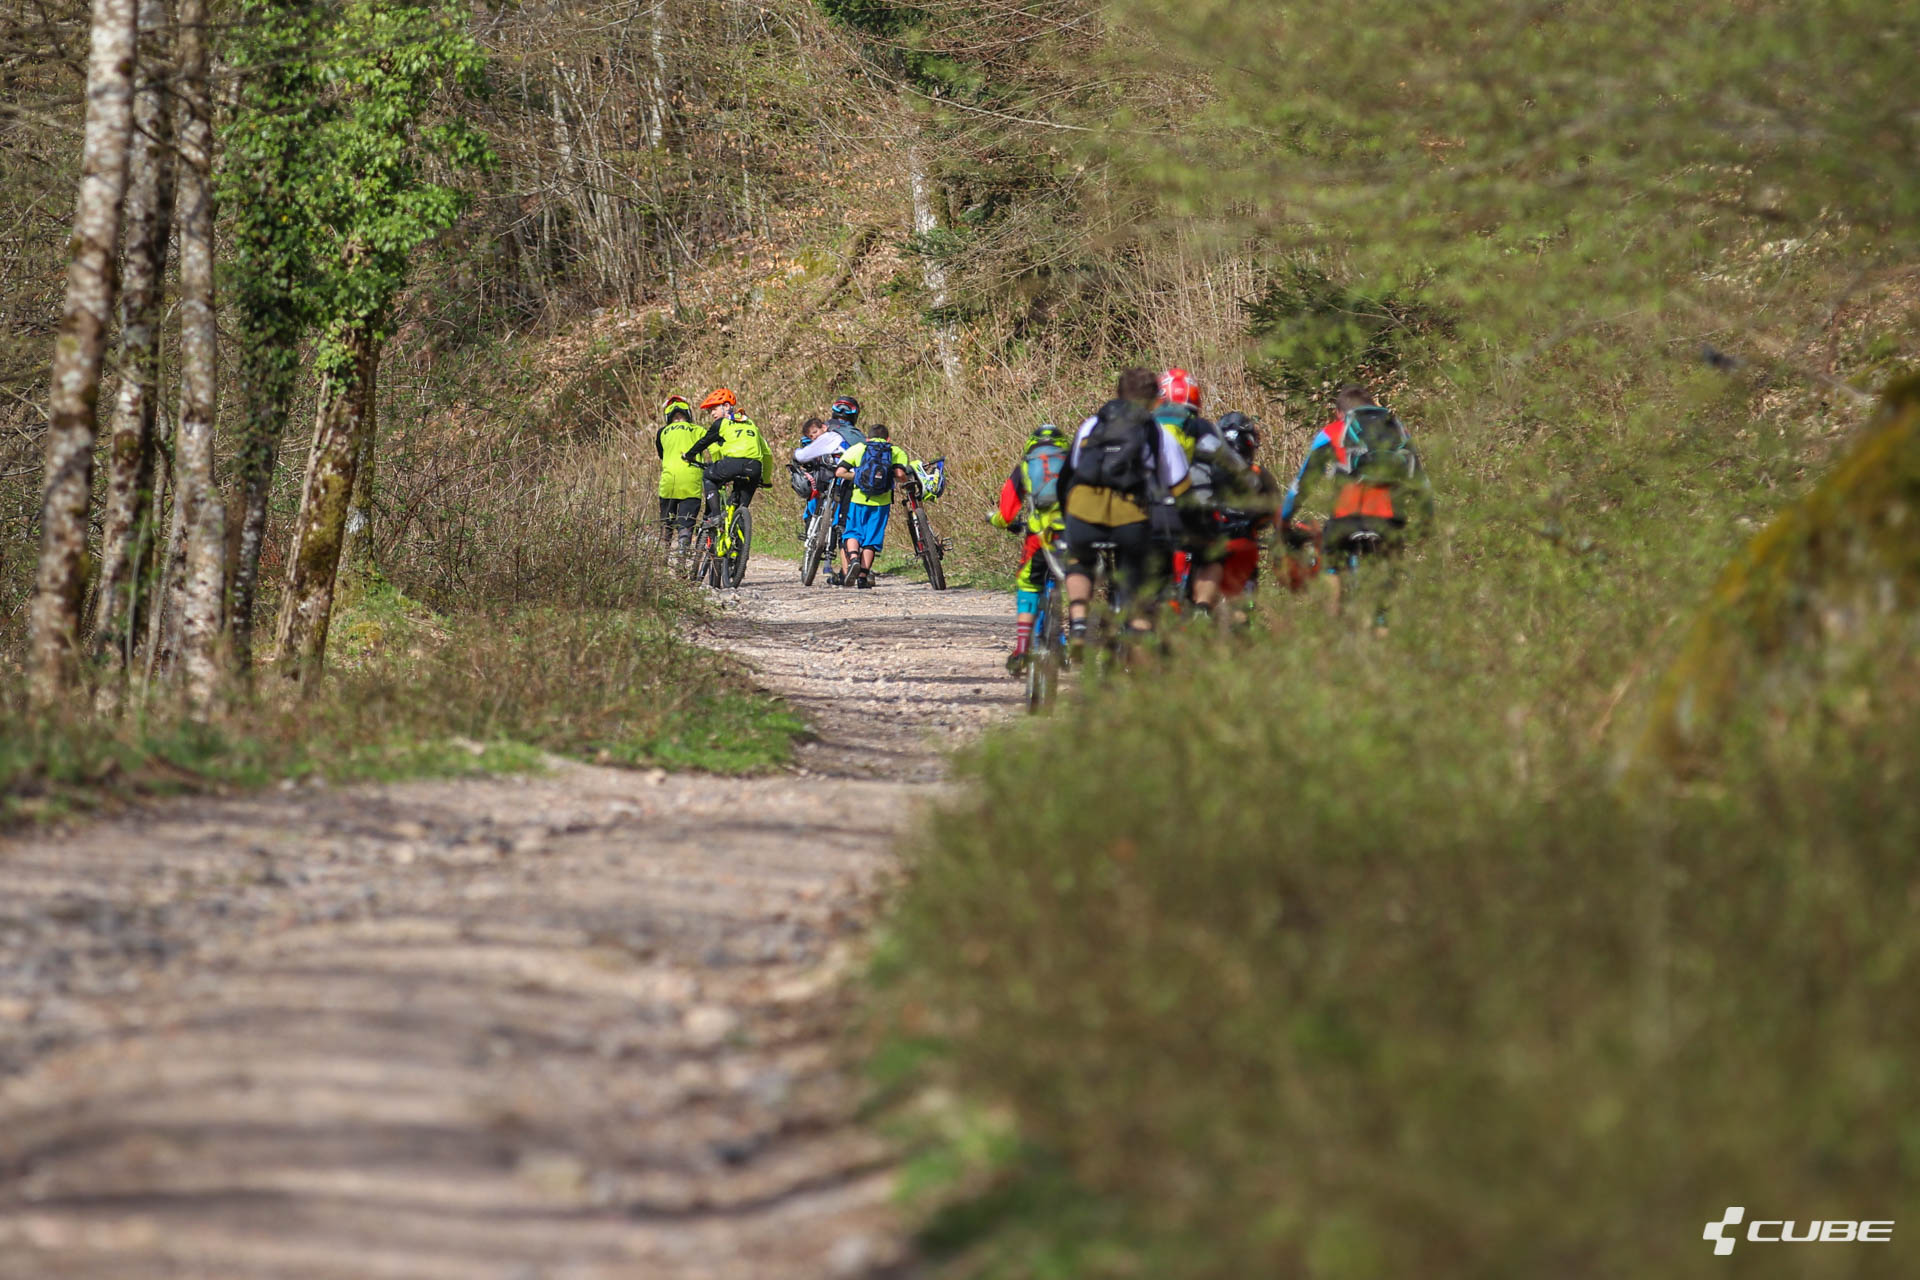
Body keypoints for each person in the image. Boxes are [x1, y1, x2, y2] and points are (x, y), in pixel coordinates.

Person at [1281, 382, 1435, 625]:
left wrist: (1284, 519)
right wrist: (1427, 521)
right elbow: (1421, 484)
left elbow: (1302, 484)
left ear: (1339, 413)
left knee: (1331, 564)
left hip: (1346, 517)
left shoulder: (1333, 432)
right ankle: (1382, 627)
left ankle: (1334, 629)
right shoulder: (1398, 431)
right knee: (1386, 582)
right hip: (1389, 517)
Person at [1060, 367, 1191, 651]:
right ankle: (1138, 640)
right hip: (1130, 517)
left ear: (1117, 393)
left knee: (1079, 562)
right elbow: (1181, 489)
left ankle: (1080, 624)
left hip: (1083, 512)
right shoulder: (1158, 433)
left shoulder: (1091, 425)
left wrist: (1066, 518)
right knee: (1140, 584)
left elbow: (1067, 477)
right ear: (1156, 400)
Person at [1152, 368, 1255, 620]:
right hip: (1196, 511)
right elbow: (1238, 471)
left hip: (1152, 511)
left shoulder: (1145, 427)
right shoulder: (1204, 429)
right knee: (1213, 555)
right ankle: (1201, 609)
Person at [989, 423, 1071, 676]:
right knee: (1078, 580)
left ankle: (1023, 648)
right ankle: (1074, 640)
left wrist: (997, 521)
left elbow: (1006, 512)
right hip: (1073, 533)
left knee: (1028, 582)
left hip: (1039, 536)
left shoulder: (1026, 465)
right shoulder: (1075, 464)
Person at [1208, 412, 1281, 621]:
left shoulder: (1207, 472)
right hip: (1244, 545)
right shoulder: (1259, 474)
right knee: (1241, 605)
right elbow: (1274, 511)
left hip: (1210, 543)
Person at [833, 423, 918, 589]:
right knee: (872, 538)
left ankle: (854, 559)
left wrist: (857, 476)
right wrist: (901, 481)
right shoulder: (895, 451)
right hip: (882, 502)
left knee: (852, 532)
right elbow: (900, 474)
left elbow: (840, 472)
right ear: (888, 439)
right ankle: (863, 577)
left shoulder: (859, 448)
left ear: (867, 438)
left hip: (858, 499)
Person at [683, 386, 773, 535]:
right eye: (709, 411)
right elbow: (767, 453)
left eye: (714, 409)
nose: (711, 414)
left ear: (726, 407)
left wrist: (689, 455)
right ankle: (738, 548)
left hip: (731, 464)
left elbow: (704, 442)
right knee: (738, 510)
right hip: (754, 468)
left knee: (708, 476)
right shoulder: (751, 424)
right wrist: (766, 479)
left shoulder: (721, 424)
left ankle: (717, 516)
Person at [792, 405, 864, 584]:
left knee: (842, 524)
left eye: (815, 432)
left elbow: (802, 456)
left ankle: (845, 568)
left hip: (845, 478)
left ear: (824, 427)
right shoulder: (851, 436)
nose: (814, 437)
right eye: (811, 436)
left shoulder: (829, 437)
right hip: (859, 477)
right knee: (848, 522)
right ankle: (850, 567)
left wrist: (796, 456)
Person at [655, 394, 708, 568]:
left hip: (668, 482)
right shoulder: (698, 430)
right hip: (690, 481)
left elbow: (662, 454)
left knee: (666, 522)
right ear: (688, 414)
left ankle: (662, 559)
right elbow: (715, 450)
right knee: (686, 523)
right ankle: (681, 560)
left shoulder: (662, 432)